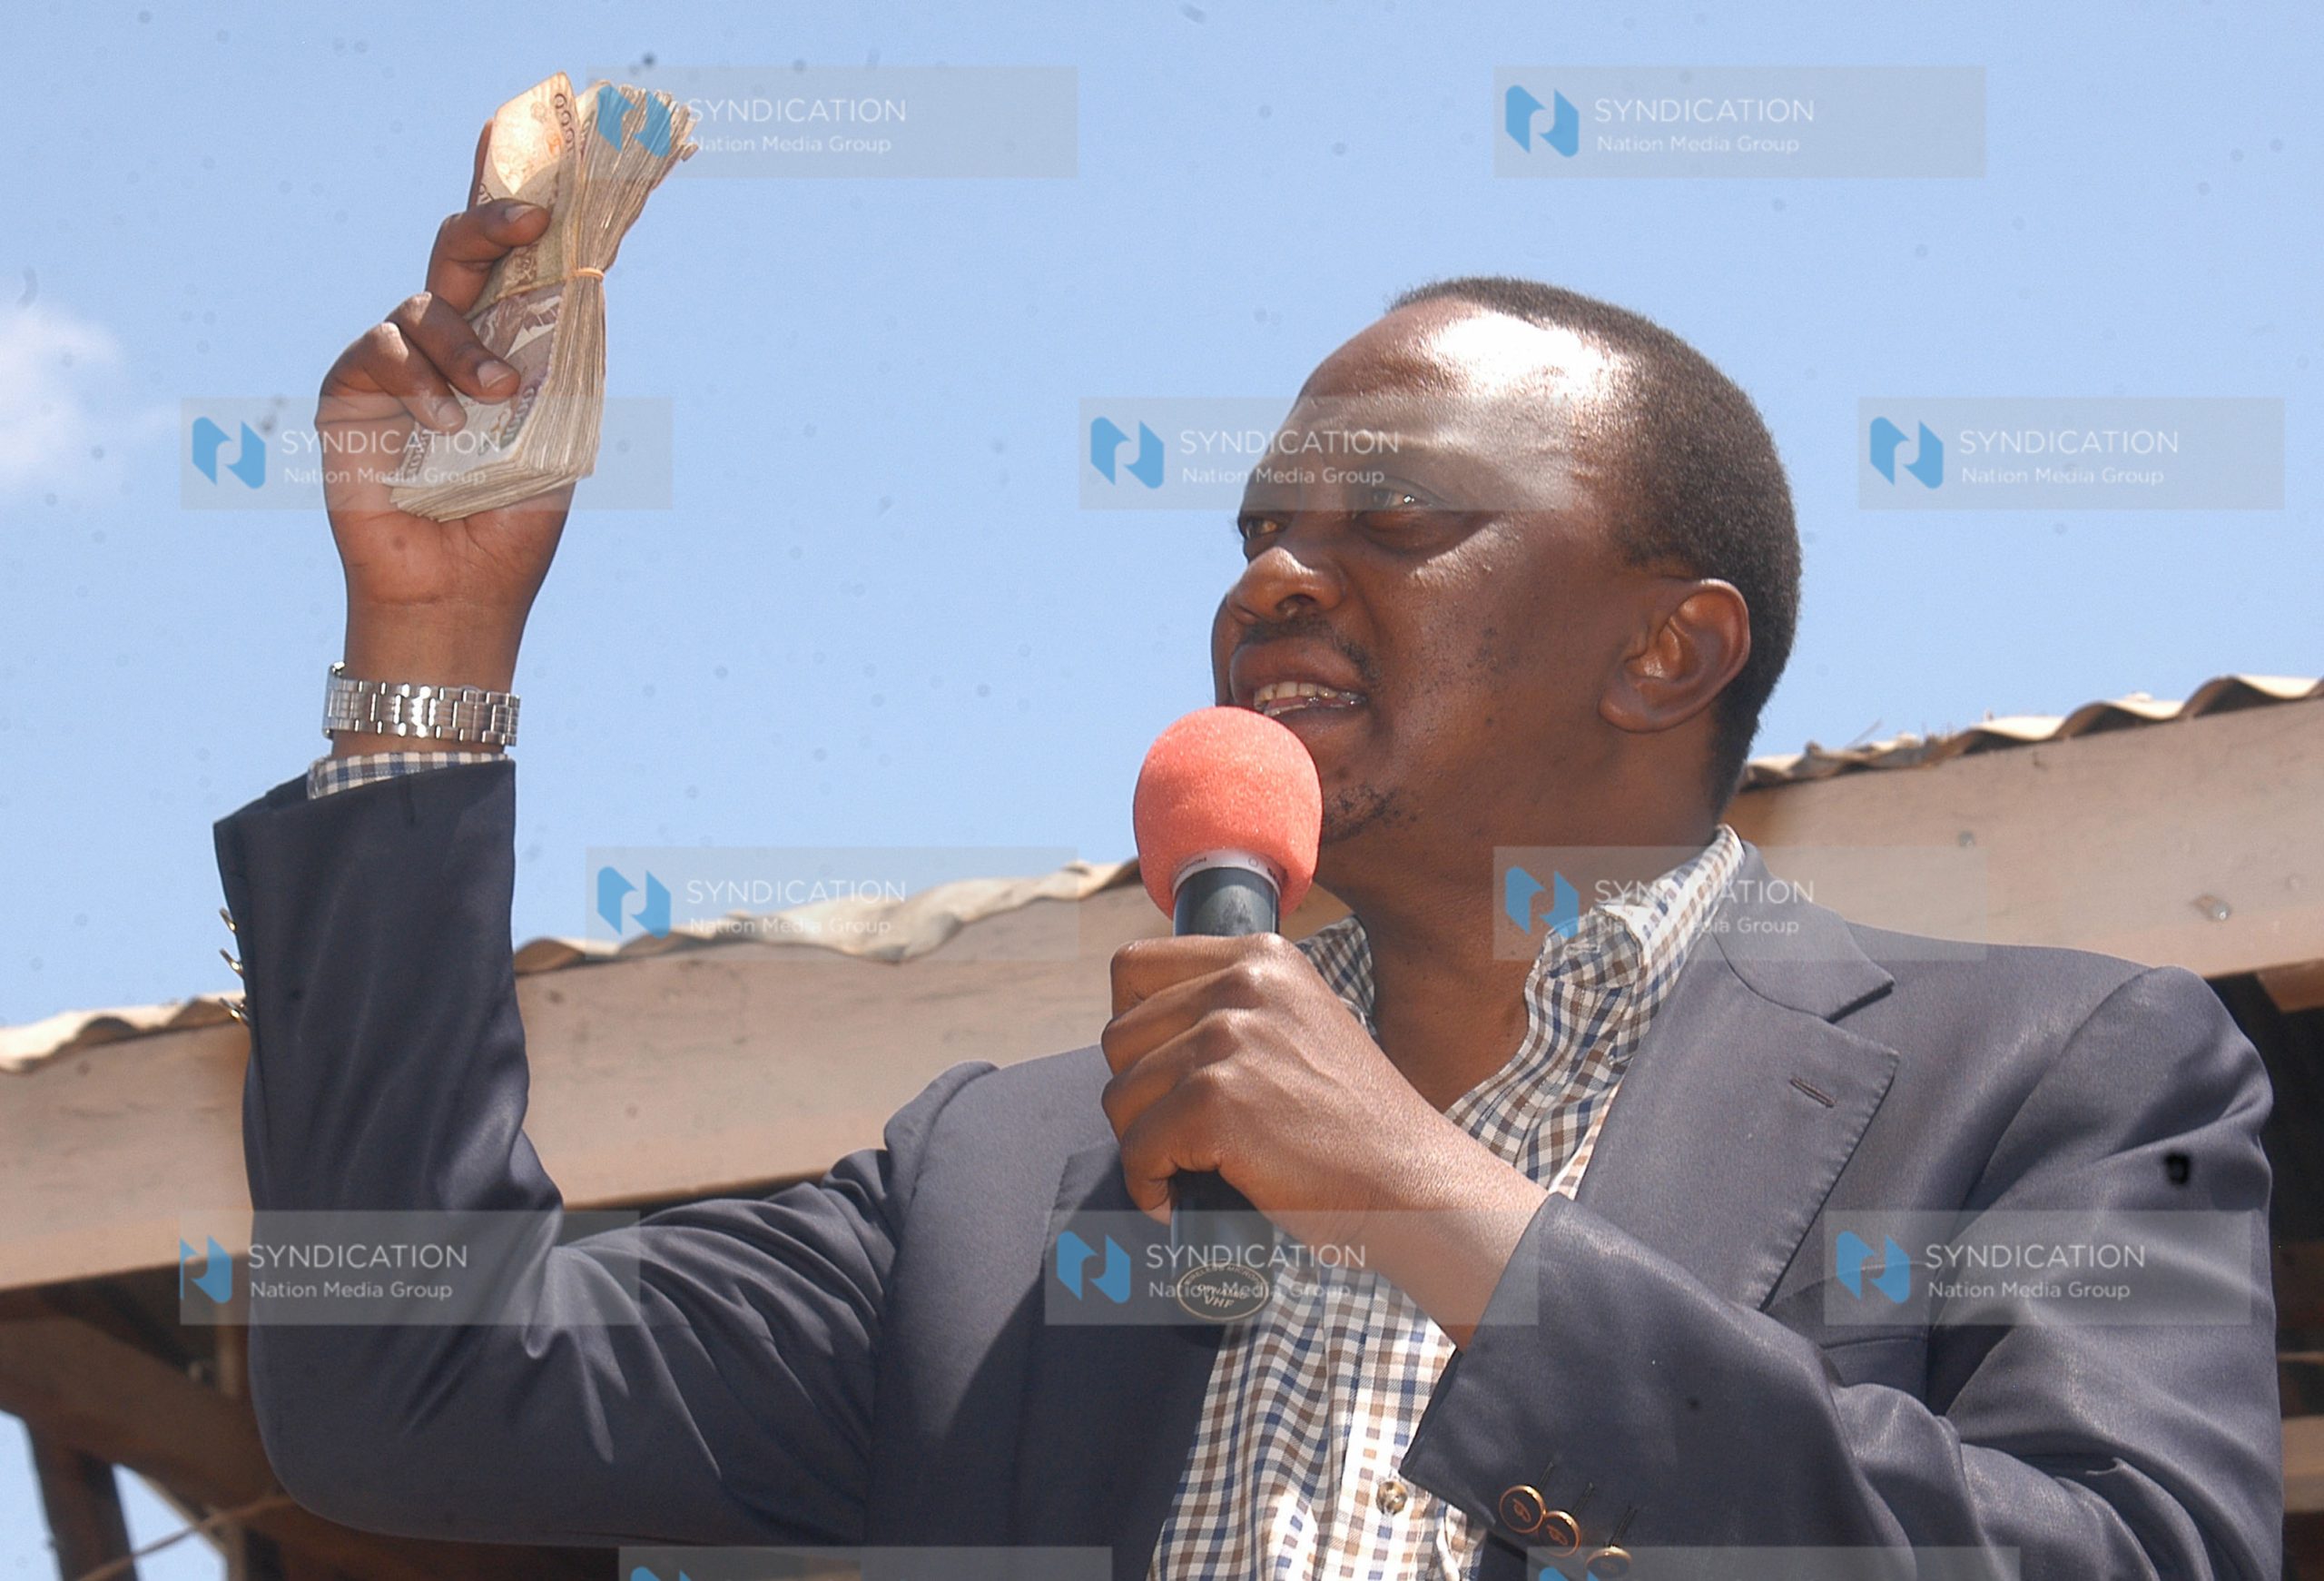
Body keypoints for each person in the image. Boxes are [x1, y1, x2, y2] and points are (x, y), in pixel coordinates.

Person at [212, 143, 2282, 1581]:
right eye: (1257, 535)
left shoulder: (2048, 1074)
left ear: (1669, 646)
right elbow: (409, 1380)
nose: (1280, 573)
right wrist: (431, 636)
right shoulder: (1002, 1185)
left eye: (1394, 518)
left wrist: (1427, 1204)